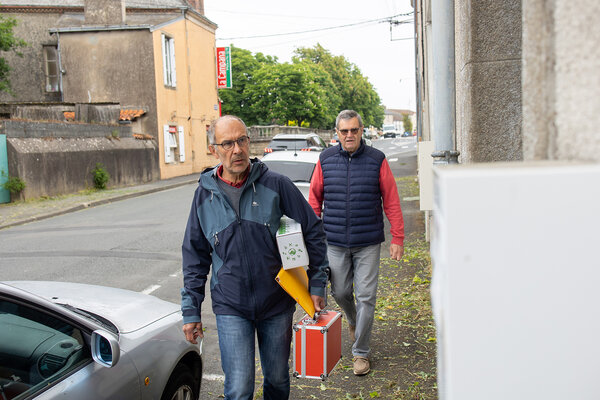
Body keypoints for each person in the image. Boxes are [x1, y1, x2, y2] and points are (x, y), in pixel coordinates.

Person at [180, 115, 329, 400]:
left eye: (242, 140)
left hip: (276, 302)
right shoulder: (204, 196)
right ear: (214, 150)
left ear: (249, 143)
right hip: (230, 305)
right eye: (227, 143)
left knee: (277, 380)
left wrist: (317, 284)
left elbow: (312, 230)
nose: (237, 149)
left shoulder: (276, 184)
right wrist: (191, 310)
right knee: (238, 388)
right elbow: (194, 257)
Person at [308, 109, 405, 376]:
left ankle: (361, 352)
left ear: (361, 131)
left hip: (368, 242)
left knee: (366, 296)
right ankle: (352, 319)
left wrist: (398, 236)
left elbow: (392, 200)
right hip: (335, 241)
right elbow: (314, 200)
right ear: (336, 134)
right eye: (344, 131)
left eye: (354, 130)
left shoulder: (377, 160)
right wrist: (312, 235)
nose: (349, 135)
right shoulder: (325, 159)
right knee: (339, 292)